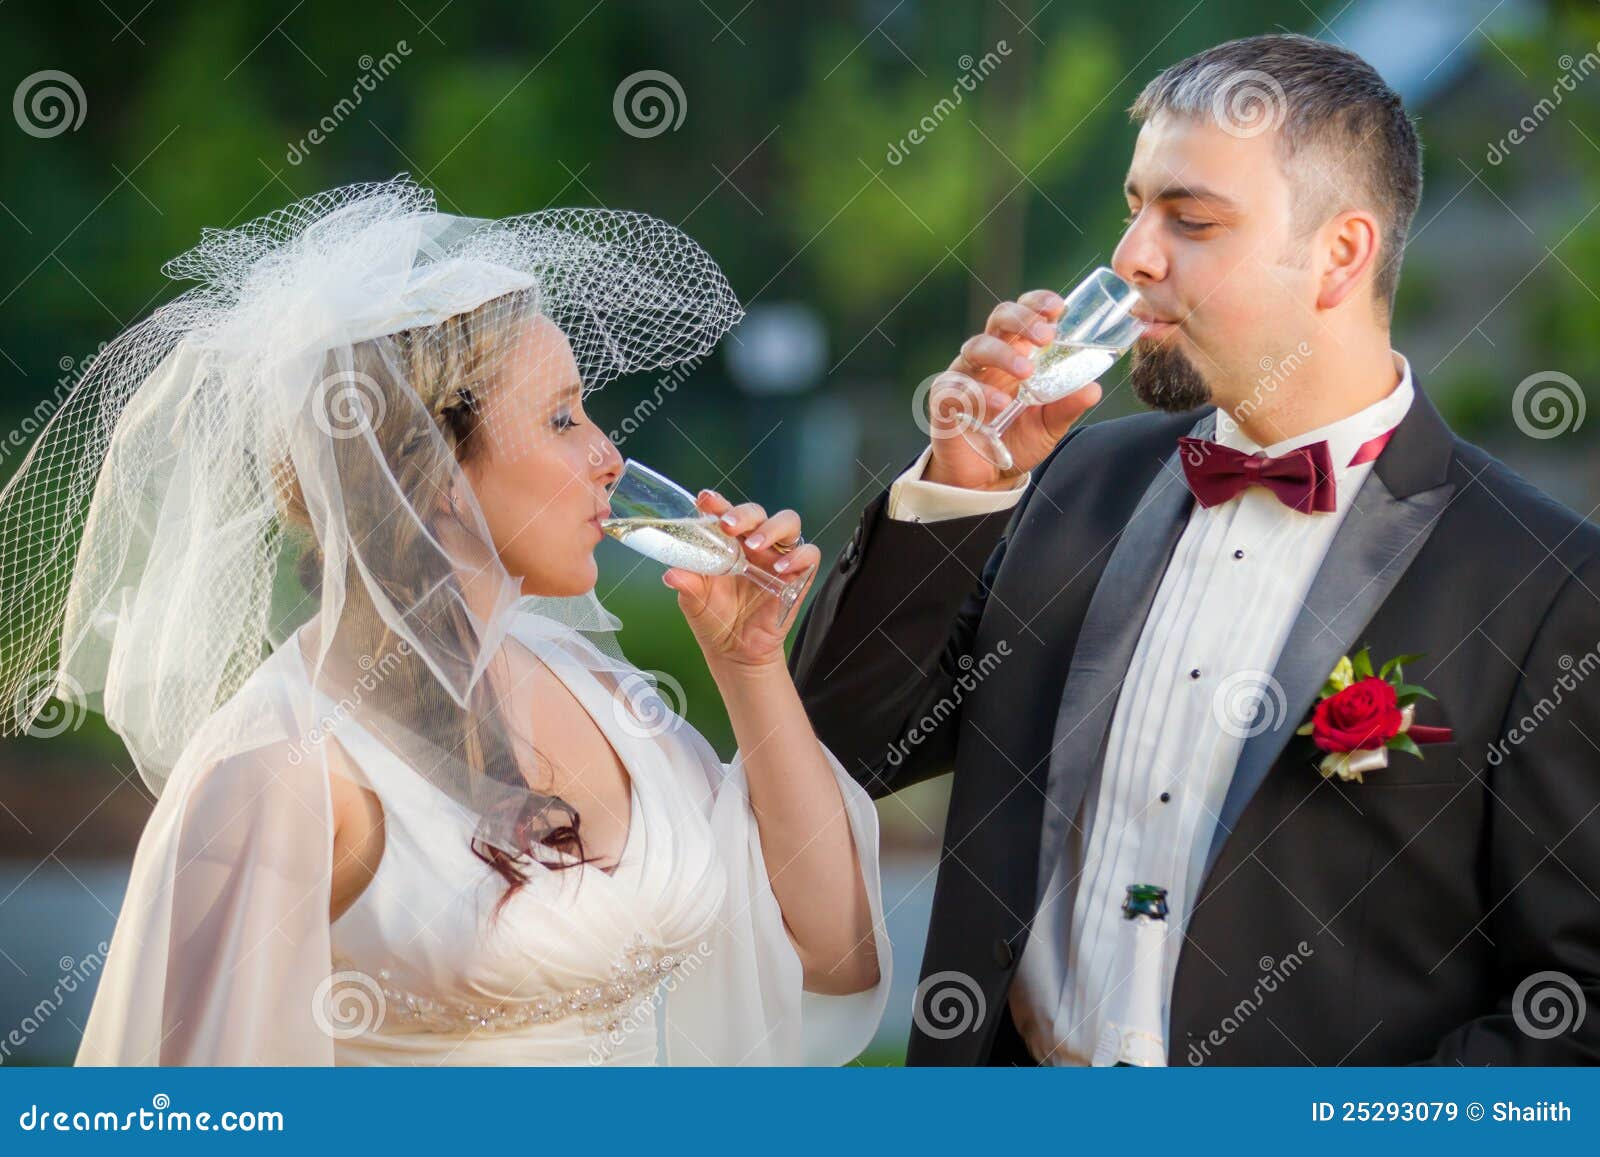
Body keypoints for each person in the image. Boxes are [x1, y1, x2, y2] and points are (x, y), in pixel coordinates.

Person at [792, 33, 1600, 1065]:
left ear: (1339, 254)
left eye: (1190, 218)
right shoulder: (1063, 487)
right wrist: (956, 495)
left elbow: (1577, 998)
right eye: (1135, 207)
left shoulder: (1544, 586)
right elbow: (833, 748)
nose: (1132, 254)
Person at [0, 178, 889, 1065]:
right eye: (560, 417)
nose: (608, 455)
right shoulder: (283, 772)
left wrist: (751, 665)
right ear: (425, 468)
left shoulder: (610, 697)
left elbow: (831, 952)